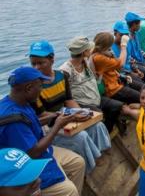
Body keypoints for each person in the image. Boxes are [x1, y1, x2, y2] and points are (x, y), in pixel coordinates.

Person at [0, 66, 85, 196]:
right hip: (25, 163)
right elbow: (33, 152)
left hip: (40, 150)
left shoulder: (19, 102)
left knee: (77, 163)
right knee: (69, 190)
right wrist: (57, 126)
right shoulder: (13, 120)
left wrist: (54, 117)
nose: (41, 90)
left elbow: (29, 126)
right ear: (28, 88)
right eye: (40, 86)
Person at [28, 41, 111, 173]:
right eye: (33, 64)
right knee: (81, 136)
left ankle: (98, 155)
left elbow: (69, 100)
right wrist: (72, 117)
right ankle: (88, 167)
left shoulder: (61, 76)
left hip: (64, 115)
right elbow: (42, 115)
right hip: (48, 125)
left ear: (52, 59)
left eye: (40, 63)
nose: (36, 67)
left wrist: (83, 113)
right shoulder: (34, 86)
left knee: (97, 125)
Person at [60, 36, 127, 132]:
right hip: (82, 103)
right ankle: (103, 132)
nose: (92, 50)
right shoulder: (66, 71)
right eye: (89, 49)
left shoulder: (86, 62)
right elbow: (66, 97)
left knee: (117, 106)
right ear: (84, 52)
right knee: (99, 114)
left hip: (96, 98)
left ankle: (108, 130)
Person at [91, 31, 141, 104]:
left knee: (142, 88)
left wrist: (111, 54)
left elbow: (117, 68)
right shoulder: (98, 58)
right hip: (113, 89)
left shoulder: (101, 53)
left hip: (118, 82)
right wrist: (123, 46)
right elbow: (121, 64)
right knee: (141, 97)